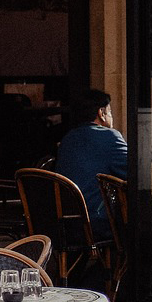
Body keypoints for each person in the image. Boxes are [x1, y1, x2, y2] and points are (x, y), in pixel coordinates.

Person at [55, 89, 127, 242]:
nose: (112, 116)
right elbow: (134, 172)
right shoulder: (110, 136)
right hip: (98, 220)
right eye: (110, 111)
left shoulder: (68, 138)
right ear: (101, 113)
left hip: (67, 221)